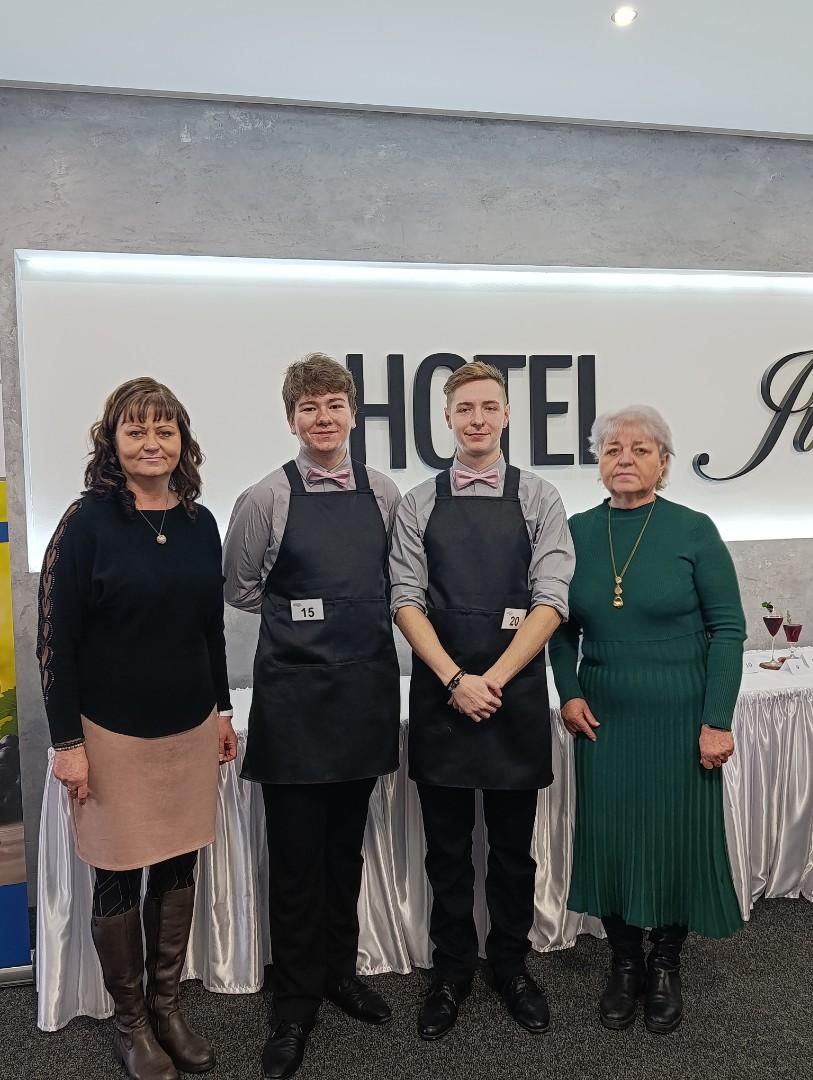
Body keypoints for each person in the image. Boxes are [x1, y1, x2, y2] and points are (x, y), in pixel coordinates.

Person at [38, 377, 237, 1080]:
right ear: (112, 441)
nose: (151, 443)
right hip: (110, 736)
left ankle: (166, 1008)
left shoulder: (199, 523)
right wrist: (67, 743)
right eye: (135, 430)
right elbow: (55, 644)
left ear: (182, 441)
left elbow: (210, 630)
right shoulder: (84, 523)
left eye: (164, 429)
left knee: (179, 866)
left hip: (188, 730)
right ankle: (131, 1025)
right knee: (119, 877)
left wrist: (221, 711)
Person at [223, 353, 402, 1080]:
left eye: (333, 405)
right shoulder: (265, 497)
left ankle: (339, 972)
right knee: (296, 858)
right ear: (291, 419)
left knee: (344, 850)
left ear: (353, 413)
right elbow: (240, 587)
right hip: (294, 699)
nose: (322, 418)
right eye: (308, 408)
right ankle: (294, 1002)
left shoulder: (384, 493)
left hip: (361, 693)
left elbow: (396, 581)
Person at [389, 361, 574, 1040]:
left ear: (506, 414)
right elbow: (404, 600)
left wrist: (490, 678)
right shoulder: (417, 502)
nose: (476, 418)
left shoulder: (541, 497)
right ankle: (451, 971)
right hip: (443, 694)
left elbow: (550, 600)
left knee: (511, 851)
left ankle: (511, 966)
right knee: (445, 851)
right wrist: (454, 680)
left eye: (488, 406)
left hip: (512, 694)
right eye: (464, 408)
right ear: (446, 417)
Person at [548, 404, 745, 1035]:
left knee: (675, 837)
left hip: (682, 715)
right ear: (599, 462)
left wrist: (717, 719)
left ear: (664, 462)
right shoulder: (576, 531)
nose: (625, 459)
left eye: (640, 449)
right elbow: (557, 627)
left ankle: (665, 963)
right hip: (603, 717)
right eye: (612, 449)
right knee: (611, 838)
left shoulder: (694, 529)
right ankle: (625, 961)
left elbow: (728, 629)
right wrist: (569, 692)